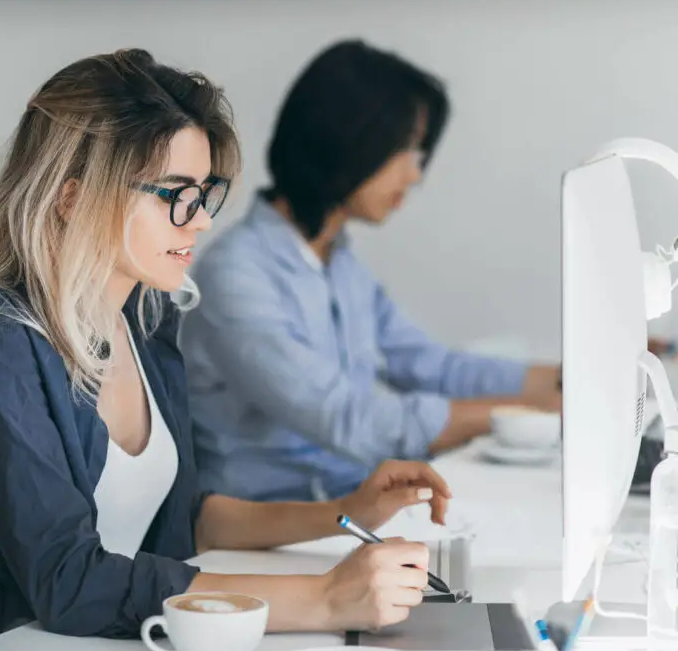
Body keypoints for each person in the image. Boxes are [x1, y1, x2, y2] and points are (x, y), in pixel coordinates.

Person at [0, 49, 454, 651]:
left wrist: (345, 512)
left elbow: (184, 518)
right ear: (72, 198)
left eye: (203, 194)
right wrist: (324, 599)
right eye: (174, 194)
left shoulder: (147, 321)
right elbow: (69, 580)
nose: (197, 221)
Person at [179, 39, 564, 504]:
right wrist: (536, 412)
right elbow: (352, 420)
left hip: (351, 509)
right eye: (404, 151)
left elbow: (433, 367)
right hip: (275, 534)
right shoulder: (235, 276)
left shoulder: (338, 262)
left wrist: (576, 377)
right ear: (345, 141)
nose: (414, 175)